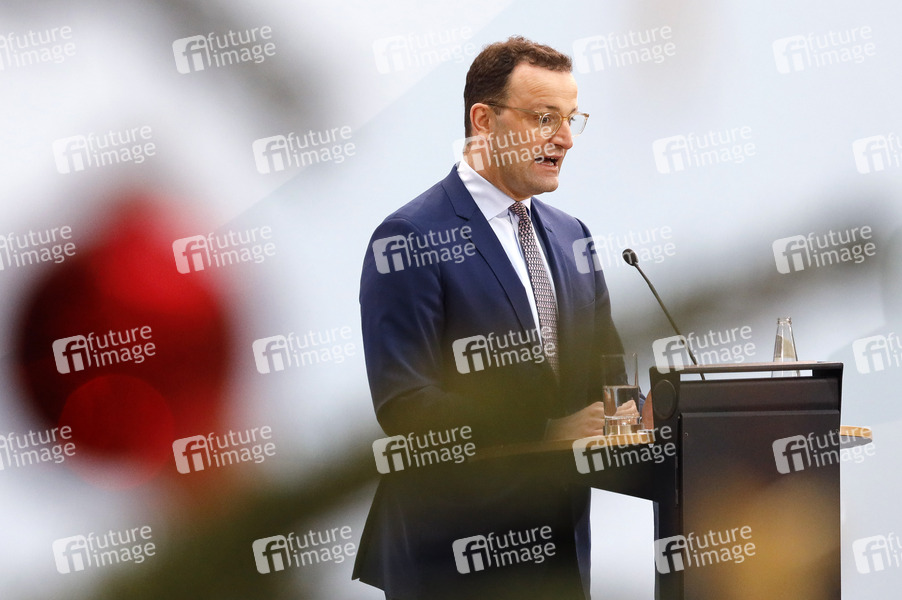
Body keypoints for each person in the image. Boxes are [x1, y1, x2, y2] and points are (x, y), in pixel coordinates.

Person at [353, 36, 640, 600]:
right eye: (544, 118)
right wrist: (544, 431)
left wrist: (642, 414)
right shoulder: (409, 237)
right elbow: (404, 405)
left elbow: (604, 373)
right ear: (483, 121)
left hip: (559, 550)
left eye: (571, 119)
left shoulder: (572, 234)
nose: (564, 138)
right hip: (452, 554)